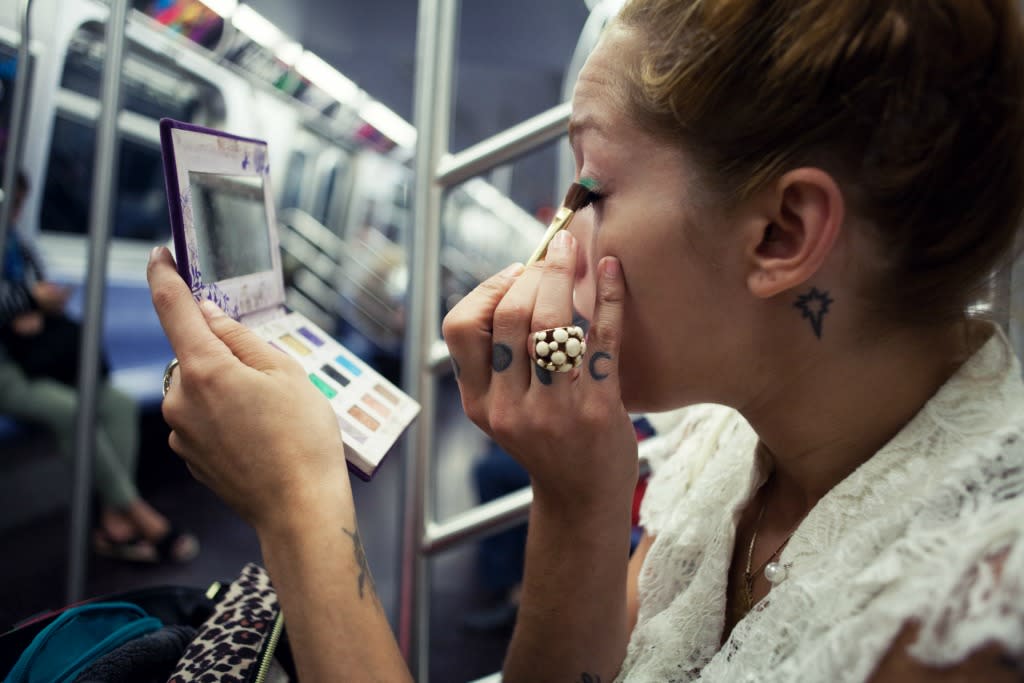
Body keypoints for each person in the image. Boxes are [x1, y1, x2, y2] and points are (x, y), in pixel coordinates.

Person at [148, 0, 1024, 680]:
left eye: (589, 192)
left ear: (782, 234)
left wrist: (302, 510)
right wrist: (581, 497)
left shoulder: (972, 609)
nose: (558, 247)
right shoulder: (727, 448)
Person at [1, 171, 198, 564]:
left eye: (20, 203)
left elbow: (41, 292)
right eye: (11, 201)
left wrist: (36, 303)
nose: (15, 211)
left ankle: (113, 523)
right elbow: (26, 298)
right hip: (8, 368)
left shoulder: (17, 244)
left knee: (118, 403)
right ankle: (140, 514)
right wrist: (25, 302)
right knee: (70, 409)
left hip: (36, 356)